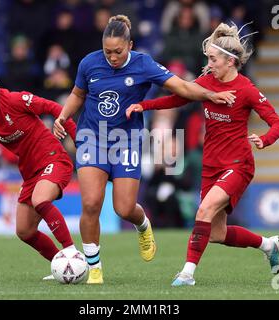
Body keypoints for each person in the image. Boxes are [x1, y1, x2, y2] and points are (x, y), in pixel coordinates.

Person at [53, 15, 236, 285]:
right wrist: (62, 116)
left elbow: (181, 87)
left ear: (130, 45)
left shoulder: (143, 64)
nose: (112, 57)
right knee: (91, 203)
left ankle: (142, 224)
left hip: (126, 140)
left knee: (124, 209)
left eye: (117, 52)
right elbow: (78, 94)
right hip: (92, 137)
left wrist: (209, 95)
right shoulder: (89, 63)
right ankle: (94, 268)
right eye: (107, 52)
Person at [126, 22, 279, 286]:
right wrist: (144, 105)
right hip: (212, 165)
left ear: (230, 62)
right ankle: (269, 245)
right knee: (216, 233)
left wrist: (265, 139)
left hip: (238, 164)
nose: (209, 63)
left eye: (213, 59)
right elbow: (178, 98)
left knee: (205, 209)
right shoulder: (207, 83)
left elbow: (278, 124)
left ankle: (187, 273)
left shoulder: (246, 89)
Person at [0, 69, 77, 279]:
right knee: (24, 231)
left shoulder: (16, 99)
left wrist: (78, 138)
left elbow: (55, 107)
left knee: (40, 200)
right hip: (30, 173)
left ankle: (71, 252)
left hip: (53, 158)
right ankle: (64, 265)